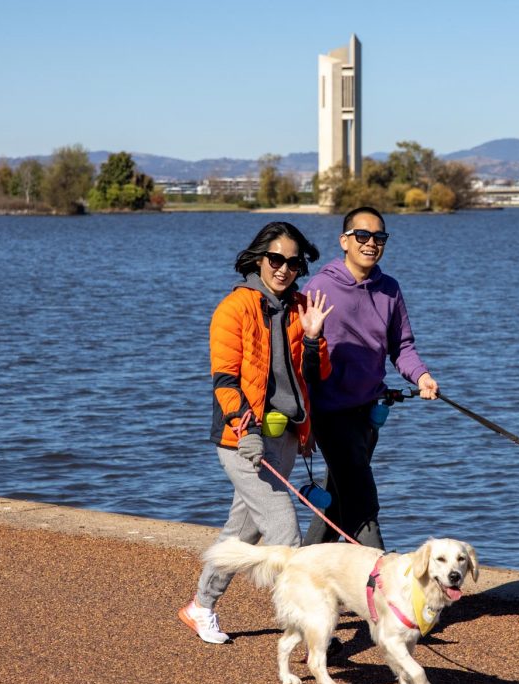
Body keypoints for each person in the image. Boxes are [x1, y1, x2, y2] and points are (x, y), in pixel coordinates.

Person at [178, 221, 333, 644]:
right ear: (259, 259)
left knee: (241, 533)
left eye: (293, 262)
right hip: (241, 439)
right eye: (276, 259)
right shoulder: (234, 308)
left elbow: (314, 378)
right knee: (285, 533)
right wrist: (243, 429)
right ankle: (306, 629)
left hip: (285, 437)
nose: (283, 269)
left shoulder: (302, 307)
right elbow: (225, 381)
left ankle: (200, 607)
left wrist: (316, 339)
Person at [301, 206, 438, 549]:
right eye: (362, 236)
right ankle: (380, 583)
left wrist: (421, 376)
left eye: (379, 237)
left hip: (368, 413)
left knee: (339, 494)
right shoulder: (320, 287)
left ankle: (304, 568)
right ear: (345, 241)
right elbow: (300, 353)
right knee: (362, 500)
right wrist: (302, 420)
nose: (371, 243)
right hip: (329, 414)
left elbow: (402, 346)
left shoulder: (389, 289)